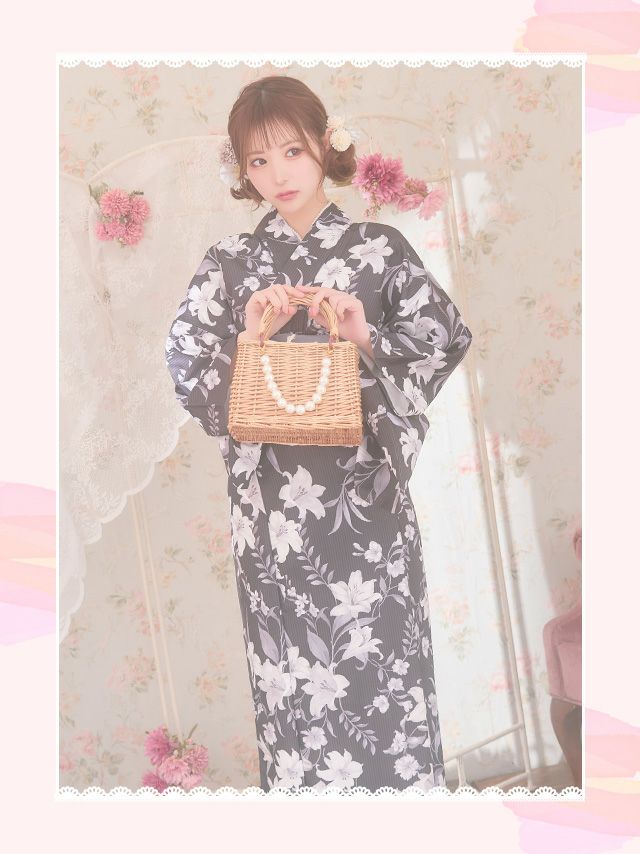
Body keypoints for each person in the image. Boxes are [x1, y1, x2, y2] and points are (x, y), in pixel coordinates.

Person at [165, 75, 473, 792]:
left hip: (367, 503)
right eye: (258, 159)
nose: (278, 173)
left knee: (386, 673)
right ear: (243, 170)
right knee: (293, 690)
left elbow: (443, 339)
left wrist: (364, 335)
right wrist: (250, 335)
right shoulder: (229, 264)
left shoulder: (379, 249)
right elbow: (187, 366)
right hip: (272, 514)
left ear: (324, 146)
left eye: (292, 151)